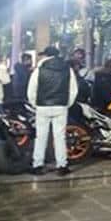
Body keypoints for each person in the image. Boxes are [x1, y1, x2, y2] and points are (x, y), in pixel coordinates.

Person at [28, 46, 78, 176]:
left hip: (42, 106)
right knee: (60, 137)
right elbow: (73, 90)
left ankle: (37, 165)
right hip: (60, 106)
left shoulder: (39, 69)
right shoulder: (68, 69)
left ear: (46, 55)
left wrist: (35, 104)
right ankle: (61, 165)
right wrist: (67, 104)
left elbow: (31, 89)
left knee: (41, 137)